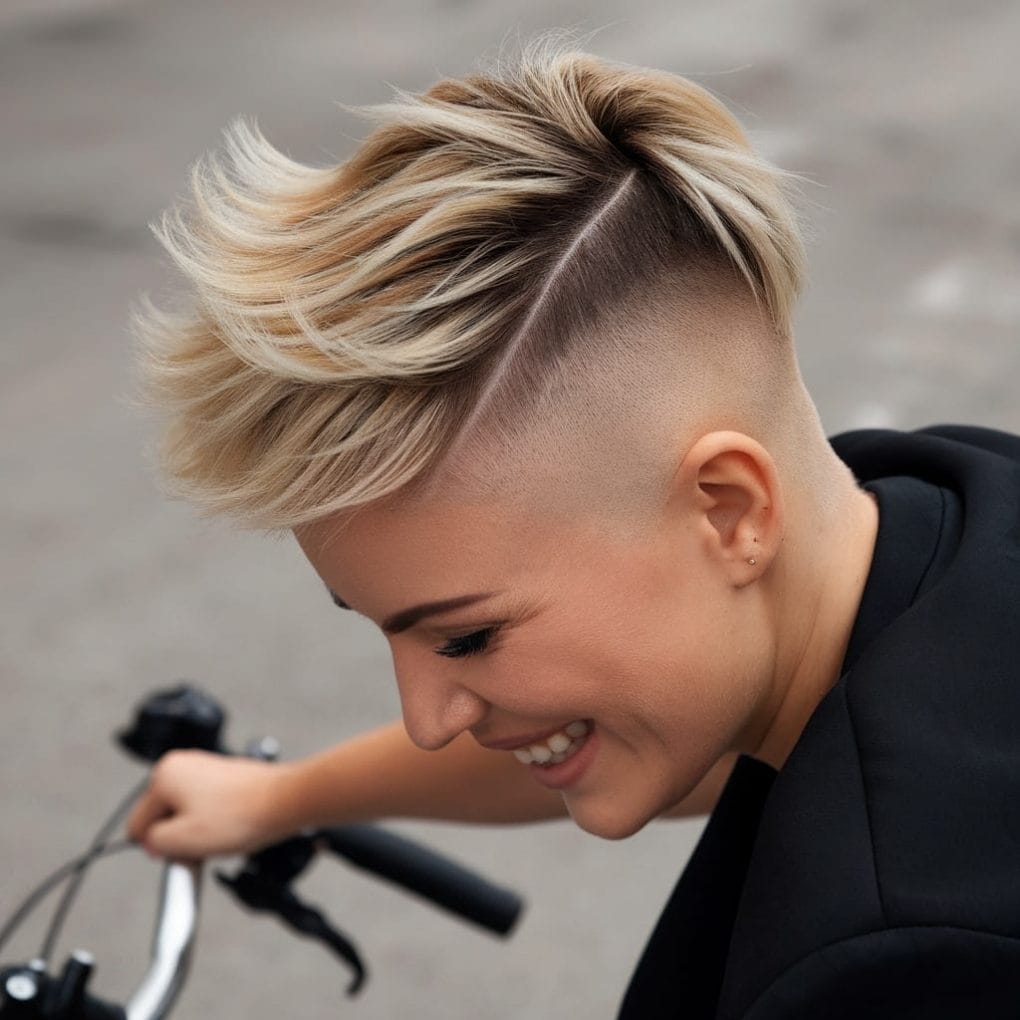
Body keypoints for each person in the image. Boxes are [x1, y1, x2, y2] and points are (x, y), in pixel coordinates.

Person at [126, 41, 1020, 1018]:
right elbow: (650, 729)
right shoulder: (933, 510)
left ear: (731, 510)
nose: (429, 722)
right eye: (384, 626)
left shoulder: (908, 968)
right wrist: (281, 798)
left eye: (468, 636)